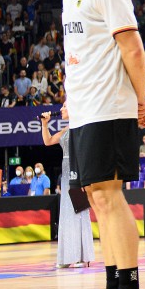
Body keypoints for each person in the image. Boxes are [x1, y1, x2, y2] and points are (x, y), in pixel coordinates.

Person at [57, 0, 145, 289]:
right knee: (96, 198)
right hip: (84, 109)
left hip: (110, 107)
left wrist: (142, 98)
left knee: (110, 197)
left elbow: (131, 46)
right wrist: (68, 98)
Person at [41, 113, 95, 268]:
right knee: (66, 212)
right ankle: (67, 256)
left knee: (79, 211)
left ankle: (81, 256)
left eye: (65, 106)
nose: (61, 109)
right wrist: (45, 124)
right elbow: (48, 141)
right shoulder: (66, 129)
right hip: (66, 171)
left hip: (78, 171)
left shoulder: (84, 125)